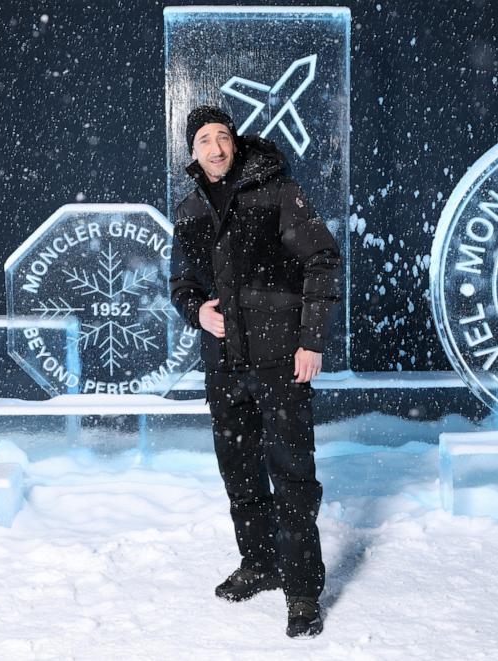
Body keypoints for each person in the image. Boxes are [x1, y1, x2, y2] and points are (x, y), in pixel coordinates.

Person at [169, 105, 342, 638]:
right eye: (204, 140)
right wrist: (196, 310)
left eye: (223, 136)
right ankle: (260, 564)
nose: (215, 147)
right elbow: (182, 285)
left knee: (292, 478)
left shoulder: (280, 193)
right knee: (240, 474)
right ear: (193, 153)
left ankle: (302, 590)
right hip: (223, 367)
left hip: (280, 361)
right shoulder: (189, 209)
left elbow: (323, 260)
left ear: (236, 144)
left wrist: (311, 340)